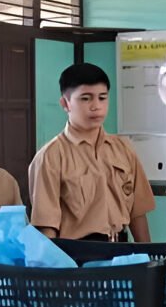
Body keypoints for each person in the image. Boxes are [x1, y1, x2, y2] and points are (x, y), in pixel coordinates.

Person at [29, 63, 155, 242]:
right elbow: (46, 227)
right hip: (77, 257)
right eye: (86, 99)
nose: (96, 106)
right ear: (65, 103)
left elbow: (137, 213)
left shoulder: (123, 149)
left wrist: (148, 257)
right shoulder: (51, 156)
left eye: (102, 98)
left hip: (121, 252)